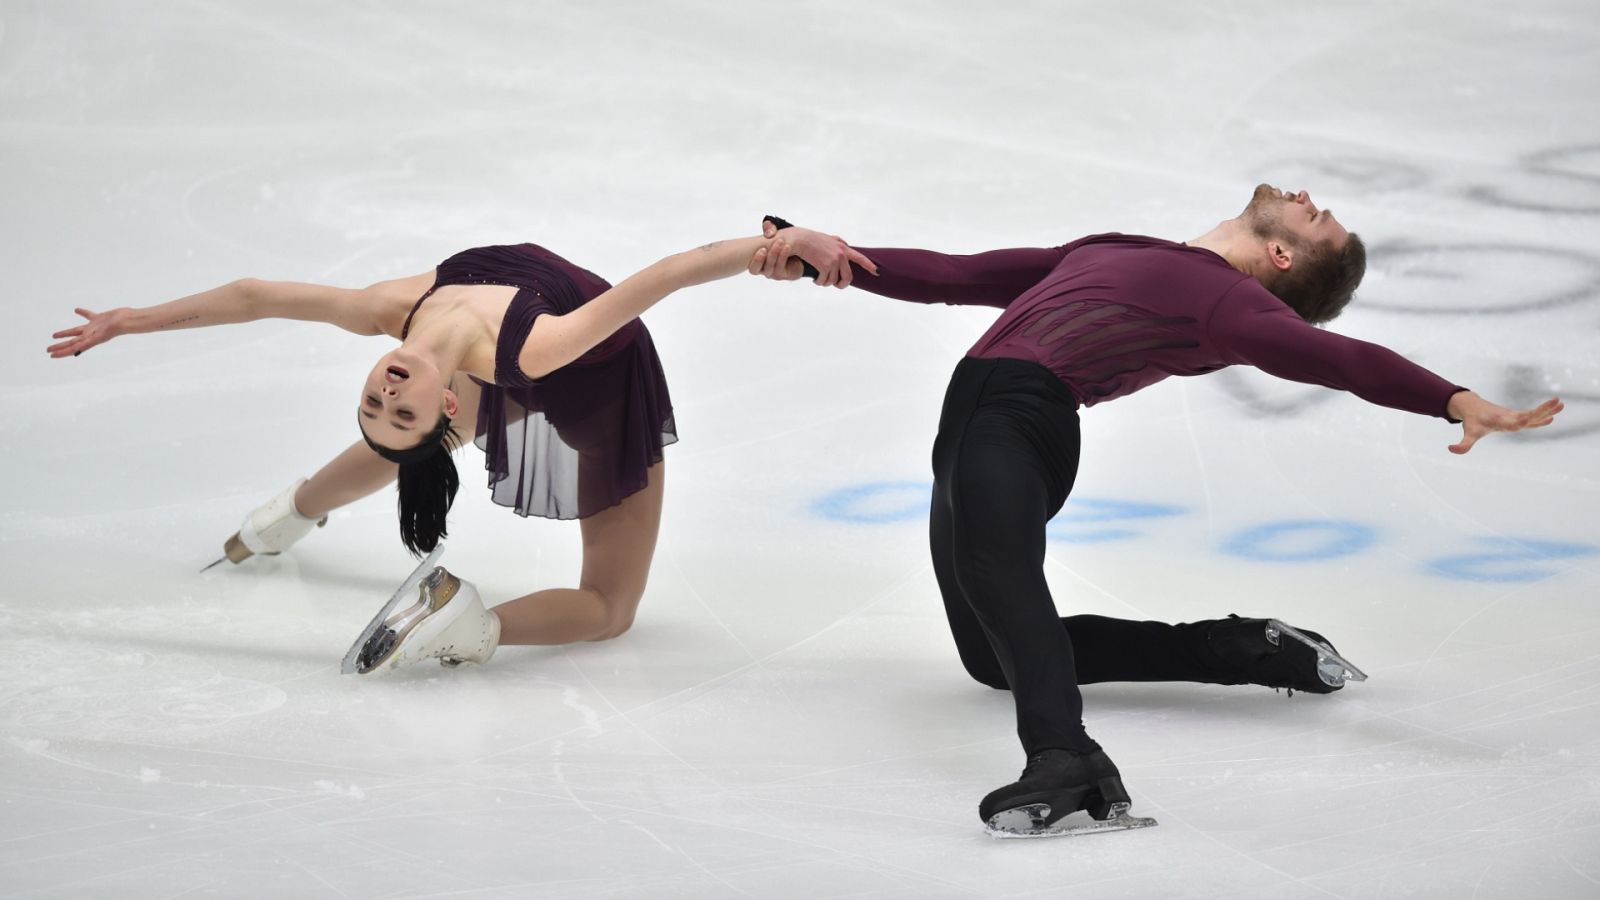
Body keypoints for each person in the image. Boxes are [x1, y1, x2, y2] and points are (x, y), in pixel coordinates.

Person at [753, 189, 1563, 835]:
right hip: (975, 420)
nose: (1307, 195)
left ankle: (1067, 761)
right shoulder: (1123, 251)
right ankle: (1240, 649)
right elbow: (961, 275)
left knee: (1001, 576)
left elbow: (1338, 358)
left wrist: (1450, 397)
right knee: (989, 656)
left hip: (1020, 416)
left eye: (1316, 217)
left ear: (1280, 256)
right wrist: (836, 257)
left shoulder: (1232, 306)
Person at [47, 232, 872, 672]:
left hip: (549, 374)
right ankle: (470, 627)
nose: (385, 392)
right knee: (610, 611)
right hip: (592, 378)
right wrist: (774, 251)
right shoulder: (539, 350)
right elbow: (664, 277)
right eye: (395, 407)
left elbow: (257, 296)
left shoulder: (389, 313)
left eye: (375, 397)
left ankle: (279, 520)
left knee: (397, 451)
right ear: (446, 404)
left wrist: (130, 319)